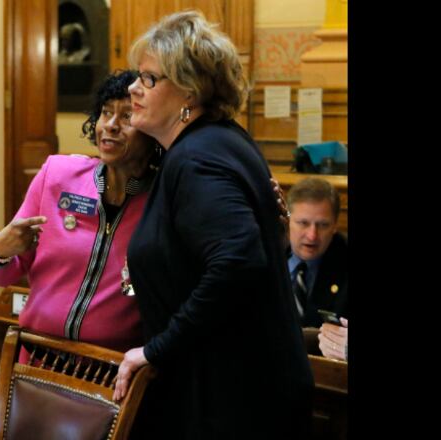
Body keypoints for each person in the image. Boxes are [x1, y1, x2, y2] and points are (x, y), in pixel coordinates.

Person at [113, 11, 313, 439]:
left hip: (230, 401)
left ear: (189, 89)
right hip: (232, 389)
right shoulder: (216, 142)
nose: (133, 87)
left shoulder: (198, 157)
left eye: (148, 78)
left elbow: (239, 263)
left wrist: (155, 351)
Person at [0, 70, 160, 353]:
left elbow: (148, 292)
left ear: (153, 130)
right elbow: (2, 274)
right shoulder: (58, 174)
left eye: (126, 117)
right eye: (105, 113)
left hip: (107, 368)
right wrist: (0, 252)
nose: (111, 126)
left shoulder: (160, 200)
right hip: (35, 353)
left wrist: (130, 287)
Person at [287, 177, 348, 328]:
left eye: (323, 225)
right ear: (287, 220)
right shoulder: (263, 253)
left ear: (334, 226)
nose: (312, 235)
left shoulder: (345, 259)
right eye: (303, 223)